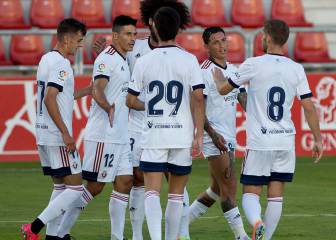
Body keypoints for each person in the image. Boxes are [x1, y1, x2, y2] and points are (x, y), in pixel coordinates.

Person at [212, 19, 323, 240]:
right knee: (276, 195)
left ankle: (256, 222)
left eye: (263, 34)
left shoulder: (253, 64)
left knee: (251, 192)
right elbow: (308, 106)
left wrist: (218, 81)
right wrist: (318, 139)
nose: (261, 38)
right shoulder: (296, 68)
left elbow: (225, 90)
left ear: (269, 37)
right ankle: (265, 238)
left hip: (260, 141)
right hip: (285, 141)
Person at [93, 1, 192, 239]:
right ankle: (138, 235)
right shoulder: (133, 47)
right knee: (138, 179)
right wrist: (104, 55)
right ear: (150, 21)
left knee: (174, 181)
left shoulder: (181, 55)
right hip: (138, 125)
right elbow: (117, 70)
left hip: (169, 125)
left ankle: (182, 234)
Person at [55, 15, 137, 240]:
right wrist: (107, 106)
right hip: (104, 135)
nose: (132, 39)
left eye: (134, 34)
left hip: (121, 135)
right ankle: (60, 232)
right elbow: (97, 88)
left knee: (125, 182)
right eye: (128, 34)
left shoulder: (123, 58)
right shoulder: (107, 59)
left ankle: (117, 237)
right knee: (95, 186)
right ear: (115, 36)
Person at [126, 6, 205, 240]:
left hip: (154, 134)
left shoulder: (144, 61)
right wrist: (199, 134)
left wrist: (148, 105)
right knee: (176, 195)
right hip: (181, 134)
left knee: (151, 191)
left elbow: (130, 100)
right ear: (178, 30)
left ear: (155, 28)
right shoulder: (190, 60)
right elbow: (198, 97)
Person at [20, 18, 88, 240]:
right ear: (66, 38)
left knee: (60, 188)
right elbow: (50, 99)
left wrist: (86, 91)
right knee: (76, 189)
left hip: (43, 133)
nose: (79, 46)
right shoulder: (61, 64)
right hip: (57, 136)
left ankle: (52, 237)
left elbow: (58, 97)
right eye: (78, 41)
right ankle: (34, 228)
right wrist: (66, 133)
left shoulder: (46, 59)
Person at [188, 27, 250, 240]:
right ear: (206, 47)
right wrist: (212, 134)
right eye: (216, 42)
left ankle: (180, 225)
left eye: (224, 40)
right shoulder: (203, 71)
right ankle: (241, 236)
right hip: (213, 136)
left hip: (229, 136)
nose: (222, 45)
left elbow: (244, 101)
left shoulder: (234, 69)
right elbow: (198, 108)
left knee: (216, 189)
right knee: (230, 187)